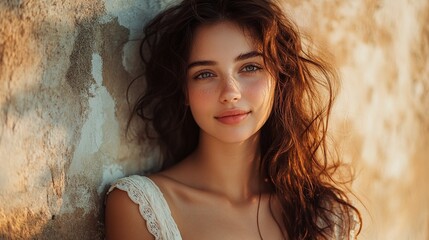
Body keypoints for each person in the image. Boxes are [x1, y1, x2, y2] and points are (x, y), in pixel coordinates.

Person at [105, 0, 362, 239]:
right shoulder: (139, 207)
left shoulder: (324, 215)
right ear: (184, 90)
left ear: (278, 78)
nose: (230, 93)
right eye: (205, 74)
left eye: (250, 67)